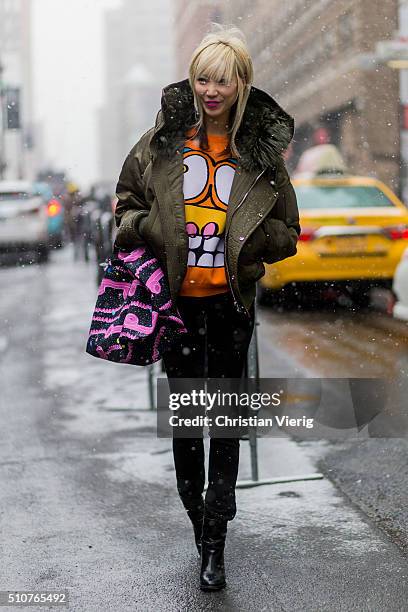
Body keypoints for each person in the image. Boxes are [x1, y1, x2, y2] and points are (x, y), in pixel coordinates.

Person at [114, 24, 300, 592]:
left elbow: (289, 230)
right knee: (187, 426)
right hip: (176, 310)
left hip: (229, 307)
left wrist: (245, 241)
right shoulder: (161, 144)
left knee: (224, 424)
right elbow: (124, 210)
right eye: (202, 79)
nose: (210, 90)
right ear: (192, 82)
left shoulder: (259, 153)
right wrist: (155, 225)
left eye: (222, 80)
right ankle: (199, 522)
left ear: (241, 83)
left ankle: (215, 539)